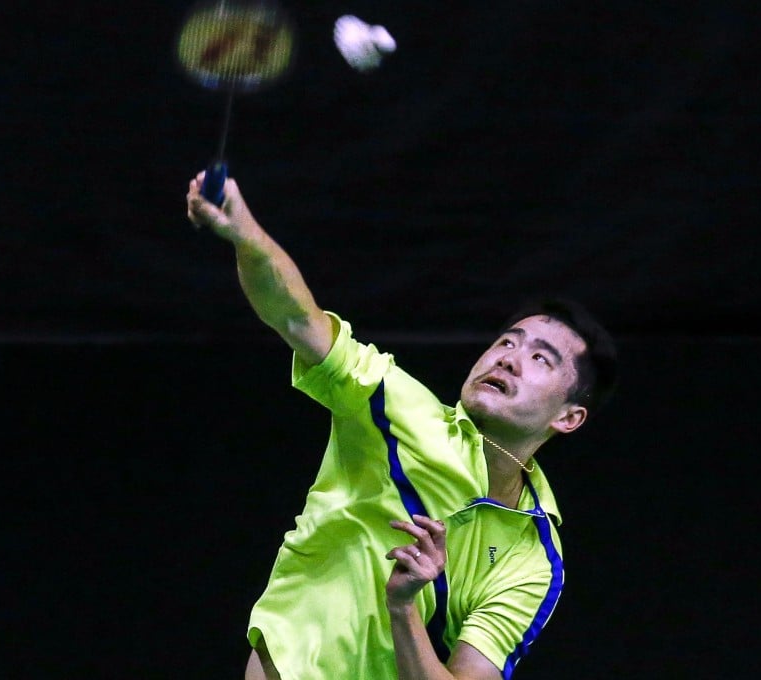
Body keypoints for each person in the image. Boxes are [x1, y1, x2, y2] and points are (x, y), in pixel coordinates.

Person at [186, 171, 618, 680]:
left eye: (541, 359)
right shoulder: (398, 407)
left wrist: (403, 608)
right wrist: (245, 234)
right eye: (507, 341)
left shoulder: (533, 557)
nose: (509, 359)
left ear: (568, 417)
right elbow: (296, 318)